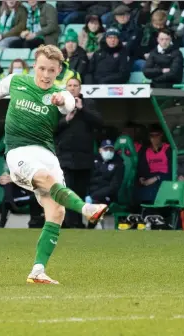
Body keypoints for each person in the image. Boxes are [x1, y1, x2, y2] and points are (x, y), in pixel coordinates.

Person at [0, 44, 108, 285]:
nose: (45, 74)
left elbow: (69, 104)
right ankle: (85, 209)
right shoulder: (16, 81)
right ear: (35, 66)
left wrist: (61, 98)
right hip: (19, 152)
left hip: (46, 153)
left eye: (51, 70)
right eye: (42, 68)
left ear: (58, 71)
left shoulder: (60, 92)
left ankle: (38, 269)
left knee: (57, 210)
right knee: (45, 179)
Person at [55, 76, 103, 228]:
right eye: (69, 85)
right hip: (65, 157)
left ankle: (78, 222)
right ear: (66, 88)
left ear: (80, 88)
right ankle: (69, 223)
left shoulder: (89, 104)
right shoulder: (59, 104)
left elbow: (99, 122)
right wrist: (66, 120)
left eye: (75, 85)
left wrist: (83, 109)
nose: (72, 88)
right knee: (67, 191)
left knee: (80, 191)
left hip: (84, 156)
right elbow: (51, 128)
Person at [85, 139, 124, 229]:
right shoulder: (93, 161)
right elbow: (86, 179)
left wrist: (93, 196)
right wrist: (86, 194)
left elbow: (113, 187)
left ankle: (90, 229)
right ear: (100, 150)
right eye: (106, 149)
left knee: (95, 205)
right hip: (90, 193)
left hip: (106, 196)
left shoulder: (118, 164)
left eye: (111, 150)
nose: (109, 152)